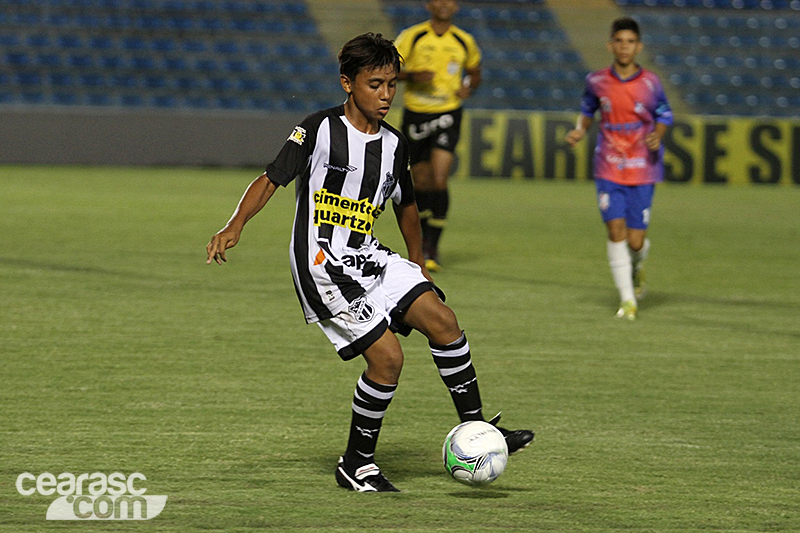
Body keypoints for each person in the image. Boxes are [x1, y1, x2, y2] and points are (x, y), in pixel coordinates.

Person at [206, 33, 532, 493]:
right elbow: (270, 178)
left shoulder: (395, 145)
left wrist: (418, 265)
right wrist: (235, 224)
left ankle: (479, 430)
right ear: (348, 83)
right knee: (388, 359)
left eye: (392, 84)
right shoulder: (318, 129)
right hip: (322, 265)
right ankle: (356, 464)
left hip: (369, 255)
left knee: (443, 321)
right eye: (375, 84)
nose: (386, 95)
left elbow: (407, 206)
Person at [566, 17, 673, 321]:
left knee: (636, 242)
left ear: (638, 47)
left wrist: (657, 135)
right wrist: (580, 130)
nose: (624, 47)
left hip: (642, 167)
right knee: (615, 231)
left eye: (630, 42)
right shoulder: (596, 80)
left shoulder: (650, 82)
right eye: (619, 41)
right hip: (609, 165)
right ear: (610, 45)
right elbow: (588, 110)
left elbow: (665, 114)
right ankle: (628, 301)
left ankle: (637, 267)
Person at [394, 0, 482, 272]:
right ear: (429, 5)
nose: (444, 4)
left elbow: (475, 72)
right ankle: (422, 242)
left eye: (449, 0)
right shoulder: (413, 36)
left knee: (439, 178)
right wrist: (412, 75)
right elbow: (390, 69)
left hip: (448, 113)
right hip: (416, 114)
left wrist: (468, 87)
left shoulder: (464, 40)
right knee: (420, 181)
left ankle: (433, 245)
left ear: (456, 6)